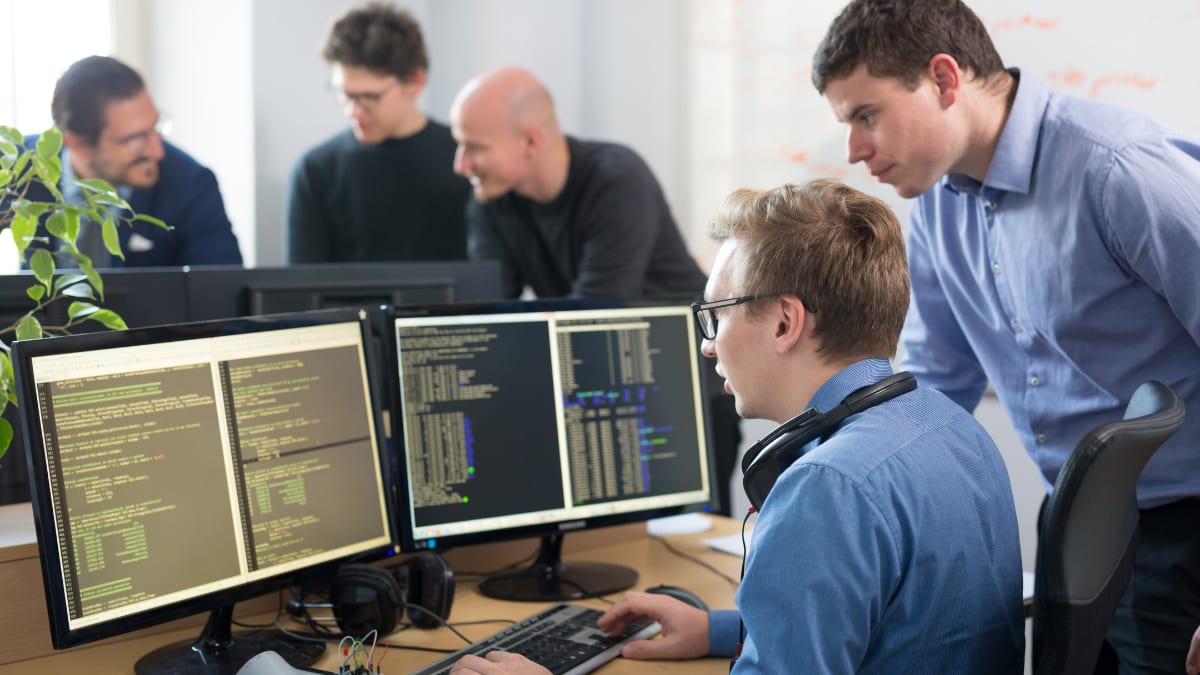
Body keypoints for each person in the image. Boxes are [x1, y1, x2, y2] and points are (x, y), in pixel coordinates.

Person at [449, 180, 1025, 675]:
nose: (707, 344)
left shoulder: (826, 488)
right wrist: (722, 630)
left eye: (716, 315)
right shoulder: (949, 425)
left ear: (783, 322)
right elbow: (896, 620)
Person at [812, 1, 1200, 672]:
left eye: (864, 115)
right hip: (1073, 521)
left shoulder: (1118, 171)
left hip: (1185, 533)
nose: (853, 149)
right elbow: (937, 382)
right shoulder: (934, 198)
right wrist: (829, 481)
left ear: (943, 79)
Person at [448, 65, 742, 517]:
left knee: (691, 552)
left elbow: (591, 318)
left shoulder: (616, 178)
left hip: (685, 395)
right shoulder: (490, 198)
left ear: (530, 140)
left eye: (474, 147)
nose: (460, 164)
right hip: (598, 389)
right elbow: (488, 319)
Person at [285, 3, 468, 263]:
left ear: (416, 81)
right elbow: (302, 293)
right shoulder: (315, 172)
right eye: (345, 95)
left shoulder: (466, 160)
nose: (354, 112)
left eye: (370, 97)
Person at [26, 55, 242, 267]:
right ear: (76, 142)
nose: (158, 152)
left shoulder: (191, 185)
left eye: (155, 127)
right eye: (134, 139)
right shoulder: (17, 169)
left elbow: (220, 292)